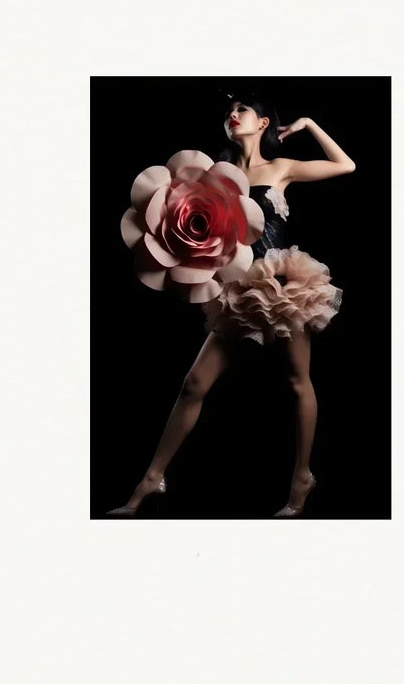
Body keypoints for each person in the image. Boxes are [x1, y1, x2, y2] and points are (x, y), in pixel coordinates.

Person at [108, 94, 354, 519]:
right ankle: (151, 479)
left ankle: (301, 477)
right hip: (238, 292)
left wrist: (308, 123)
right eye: (230, 111)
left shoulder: (281, 168)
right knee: (193, 385)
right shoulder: (217, 175)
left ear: (263, 123)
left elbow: (345, 165)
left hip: (282, 285)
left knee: (298, 382)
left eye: (242, 109)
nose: (233, 115)